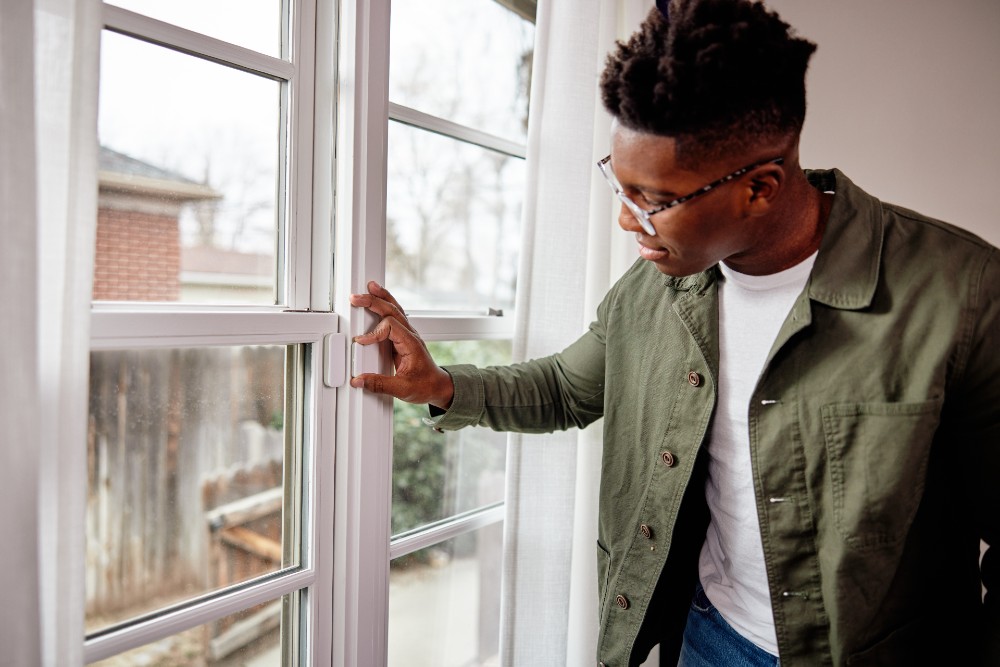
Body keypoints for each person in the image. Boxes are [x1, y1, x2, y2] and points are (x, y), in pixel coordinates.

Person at [350, 0, 999, 664]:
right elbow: (567, 387)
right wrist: (441, 384)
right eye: (621, 187)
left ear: (761, 186)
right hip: (703, 637)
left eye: (655, 202)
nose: (630, 223)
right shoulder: (655, 287)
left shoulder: (964, 293)